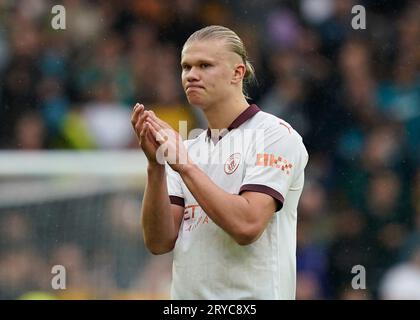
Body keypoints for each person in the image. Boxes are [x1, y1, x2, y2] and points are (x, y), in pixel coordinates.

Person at [131, 25, 308, 299]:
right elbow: (158, 241)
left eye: (204, 65)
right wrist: (156, 167)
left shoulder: (274, 136)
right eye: (186, 67)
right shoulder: (187, 149)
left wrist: (184, 165)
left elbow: (247, 226)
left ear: (237, 72)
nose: (191, 75)